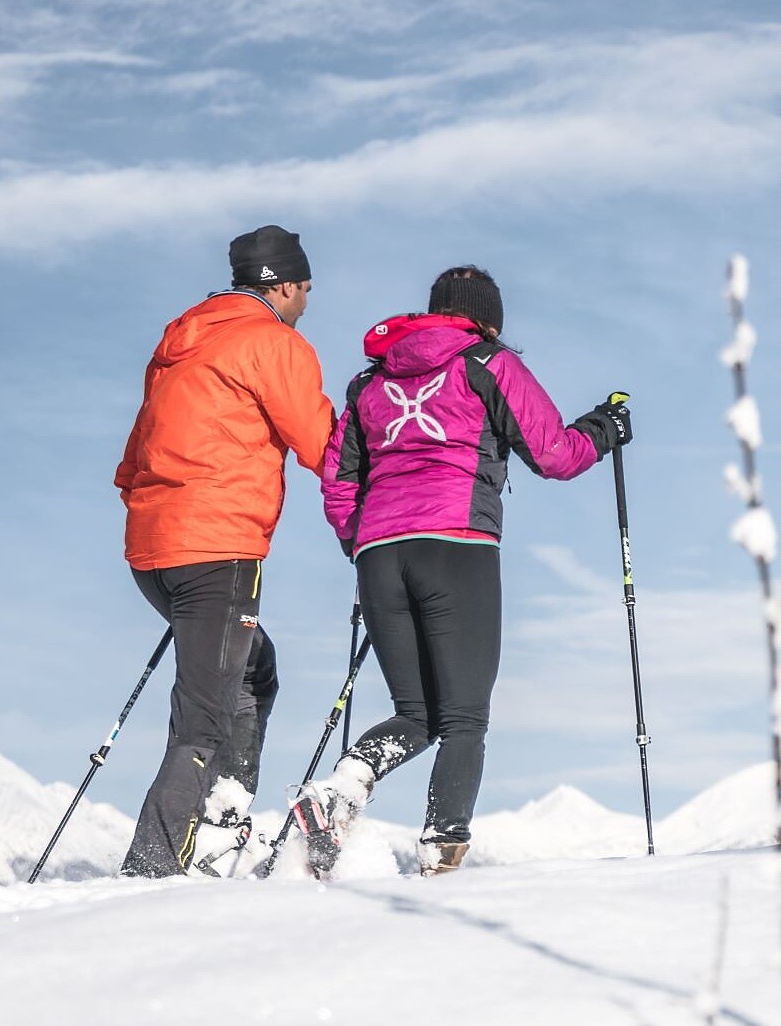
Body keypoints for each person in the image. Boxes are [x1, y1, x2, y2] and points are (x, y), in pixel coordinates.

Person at [301, 265, 631, 877]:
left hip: (379, 556)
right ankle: (442, 855)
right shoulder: (487, 363)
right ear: (488, 319)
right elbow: (554, 455)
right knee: (463, 719)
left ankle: (341, 789)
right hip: (457, 546)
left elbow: (339, 483)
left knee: (417, 712)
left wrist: (362, 545)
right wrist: (603, 429)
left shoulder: (367, 385)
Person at [113, 225, 335, 878]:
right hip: (219, 545)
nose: (305, 304)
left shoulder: (182, 339)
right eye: (305, 291)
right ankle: (153, 869)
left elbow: (133, 457)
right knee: (200, 723)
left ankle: (222, 823)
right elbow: (324, 447)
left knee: (249, 671)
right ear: (287, 285)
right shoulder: (274, 343)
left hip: (152, 548)